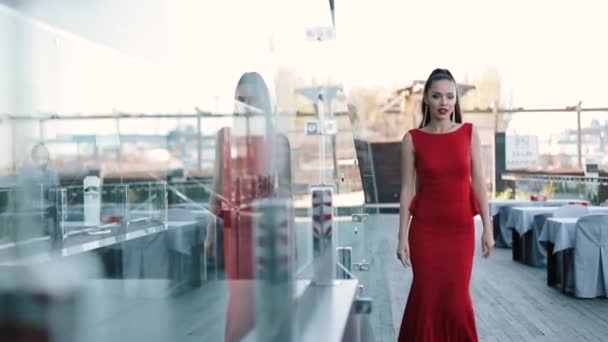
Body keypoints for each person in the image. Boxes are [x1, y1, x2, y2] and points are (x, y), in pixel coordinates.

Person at [396, 68, 494, 341]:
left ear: (456, 101)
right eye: (437, 96)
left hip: (460, 231)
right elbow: (407, 190)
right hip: (425, 232)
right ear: (426, 98)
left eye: (450, 97)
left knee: (456, 299)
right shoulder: (412, 139)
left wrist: (487, 228)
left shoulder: (469, 134)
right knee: (426, 296)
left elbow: (479, 184)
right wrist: (401, 236)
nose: (444, 103)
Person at [205, 71, 292, 342]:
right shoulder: (225, 137)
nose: (244, 107)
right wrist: (209, 233)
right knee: (240, 304)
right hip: (236, 235)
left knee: (267, 302)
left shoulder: (278, 141)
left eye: (251, 101)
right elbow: (217, 185)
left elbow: (287, 194)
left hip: (268, 232)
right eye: (239, 100)